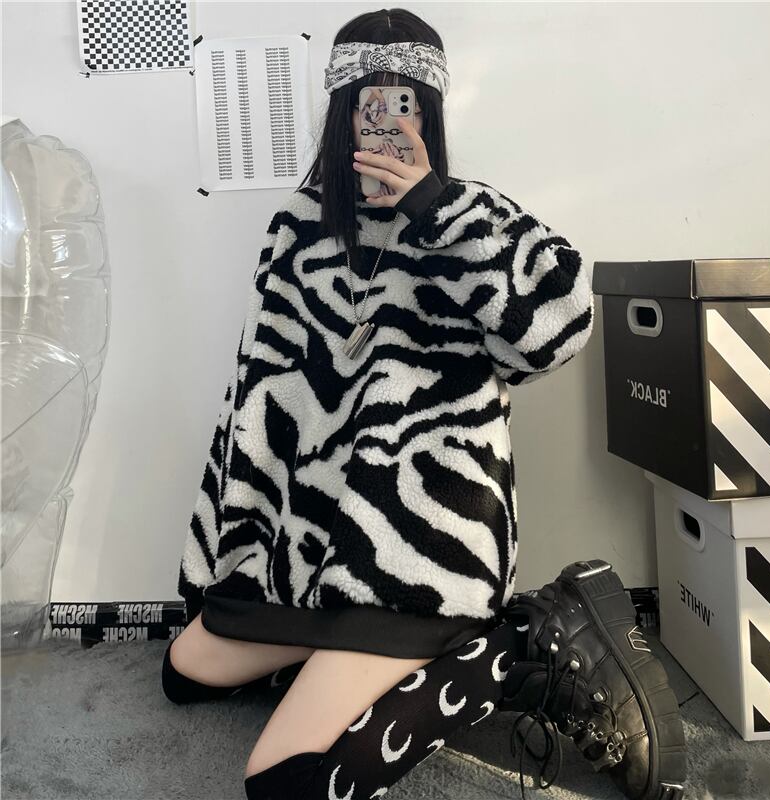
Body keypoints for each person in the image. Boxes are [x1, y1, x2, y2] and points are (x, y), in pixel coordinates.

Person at [163, 9, 687, 800]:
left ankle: (510, 645)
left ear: (429, 111)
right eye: (368, 101)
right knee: (184, 671)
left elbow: (560, 331)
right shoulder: (295, 227)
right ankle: (460, 650)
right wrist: (222, 561)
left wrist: (438, 211)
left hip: (420, 553)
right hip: (308, 556)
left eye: (402, 100)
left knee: (281, 782)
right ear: (342, 110)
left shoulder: (473, 216)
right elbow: (253, 400)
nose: (383, 119)